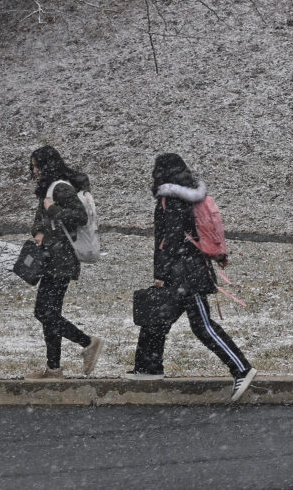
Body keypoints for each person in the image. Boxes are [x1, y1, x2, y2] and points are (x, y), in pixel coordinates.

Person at [126, 153, 257, 402]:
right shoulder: (189, 193)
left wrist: (161, 274)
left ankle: (242, 368)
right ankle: (148, 368)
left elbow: (171, 239)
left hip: (186, 274)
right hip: (188, 269)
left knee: (202, 326)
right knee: (157, 319)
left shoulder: (171, 197)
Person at [26, 146, 104, 380]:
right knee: (50, 313)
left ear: (46, 165)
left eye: (36, 165)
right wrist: (39, 231)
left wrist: (53, 210)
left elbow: (79, 216)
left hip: (61, 260)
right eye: (32, 166)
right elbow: (41, 219)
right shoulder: (49, 189)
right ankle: (53, 369)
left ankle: (89, 343)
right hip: (53, 257)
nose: (34, 170)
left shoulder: (60, 187)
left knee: (44, 312)